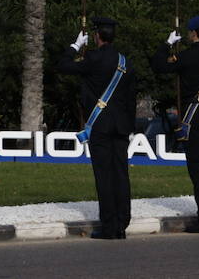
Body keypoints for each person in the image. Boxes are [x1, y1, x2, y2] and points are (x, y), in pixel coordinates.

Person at [151, 15, 199, 234]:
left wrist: (167, 44)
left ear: (194, 33)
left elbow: (159, 66)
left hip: (193, 117)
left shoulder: (188, 56)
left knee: (198, 169)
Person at [59, 15, 135, 239]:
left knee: (104, 175)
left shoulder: (92, 58)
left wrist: (75, 46)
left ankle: (110, 225)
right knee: (121, 174)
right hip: (120, 126)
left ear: (96, 36)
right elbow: (131, 99)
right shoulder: (125, 61)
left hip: (99, 125)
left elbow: (63, 65)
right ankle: (122, 222)